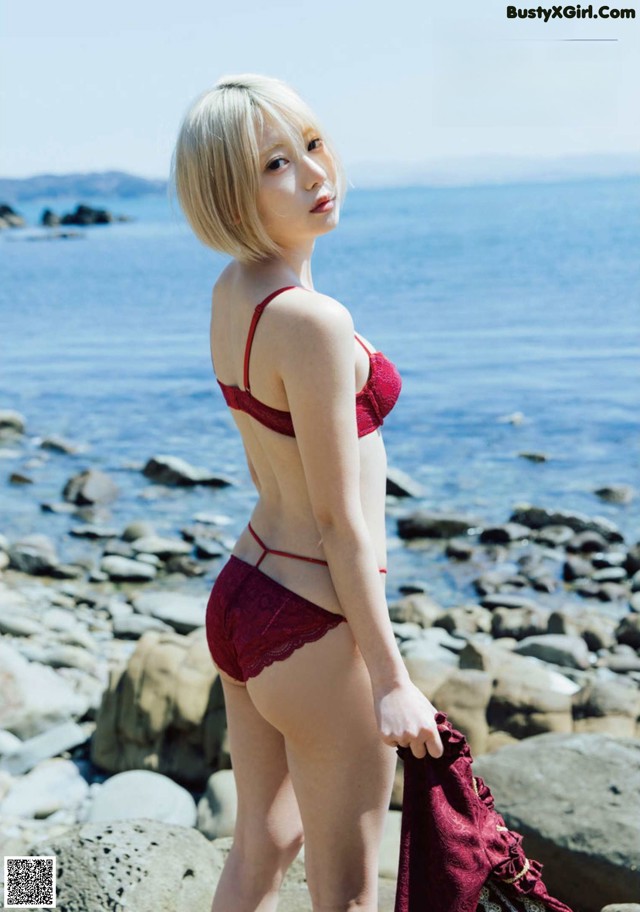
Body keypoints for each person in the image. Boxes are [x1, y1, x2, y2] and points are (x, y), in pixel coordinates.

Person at [171, 73, 443, 912]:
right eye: (276, 164)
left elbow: (272, 468)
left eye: (313, 145)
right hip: (314, 620)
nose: (316, 174)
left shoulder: (235, 293)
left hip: (244, 591)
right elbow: (339, 521)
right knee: (348, 895)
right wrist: (391, 678)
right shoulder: (313, 321)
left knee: (265, 841)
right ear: (229, 192)